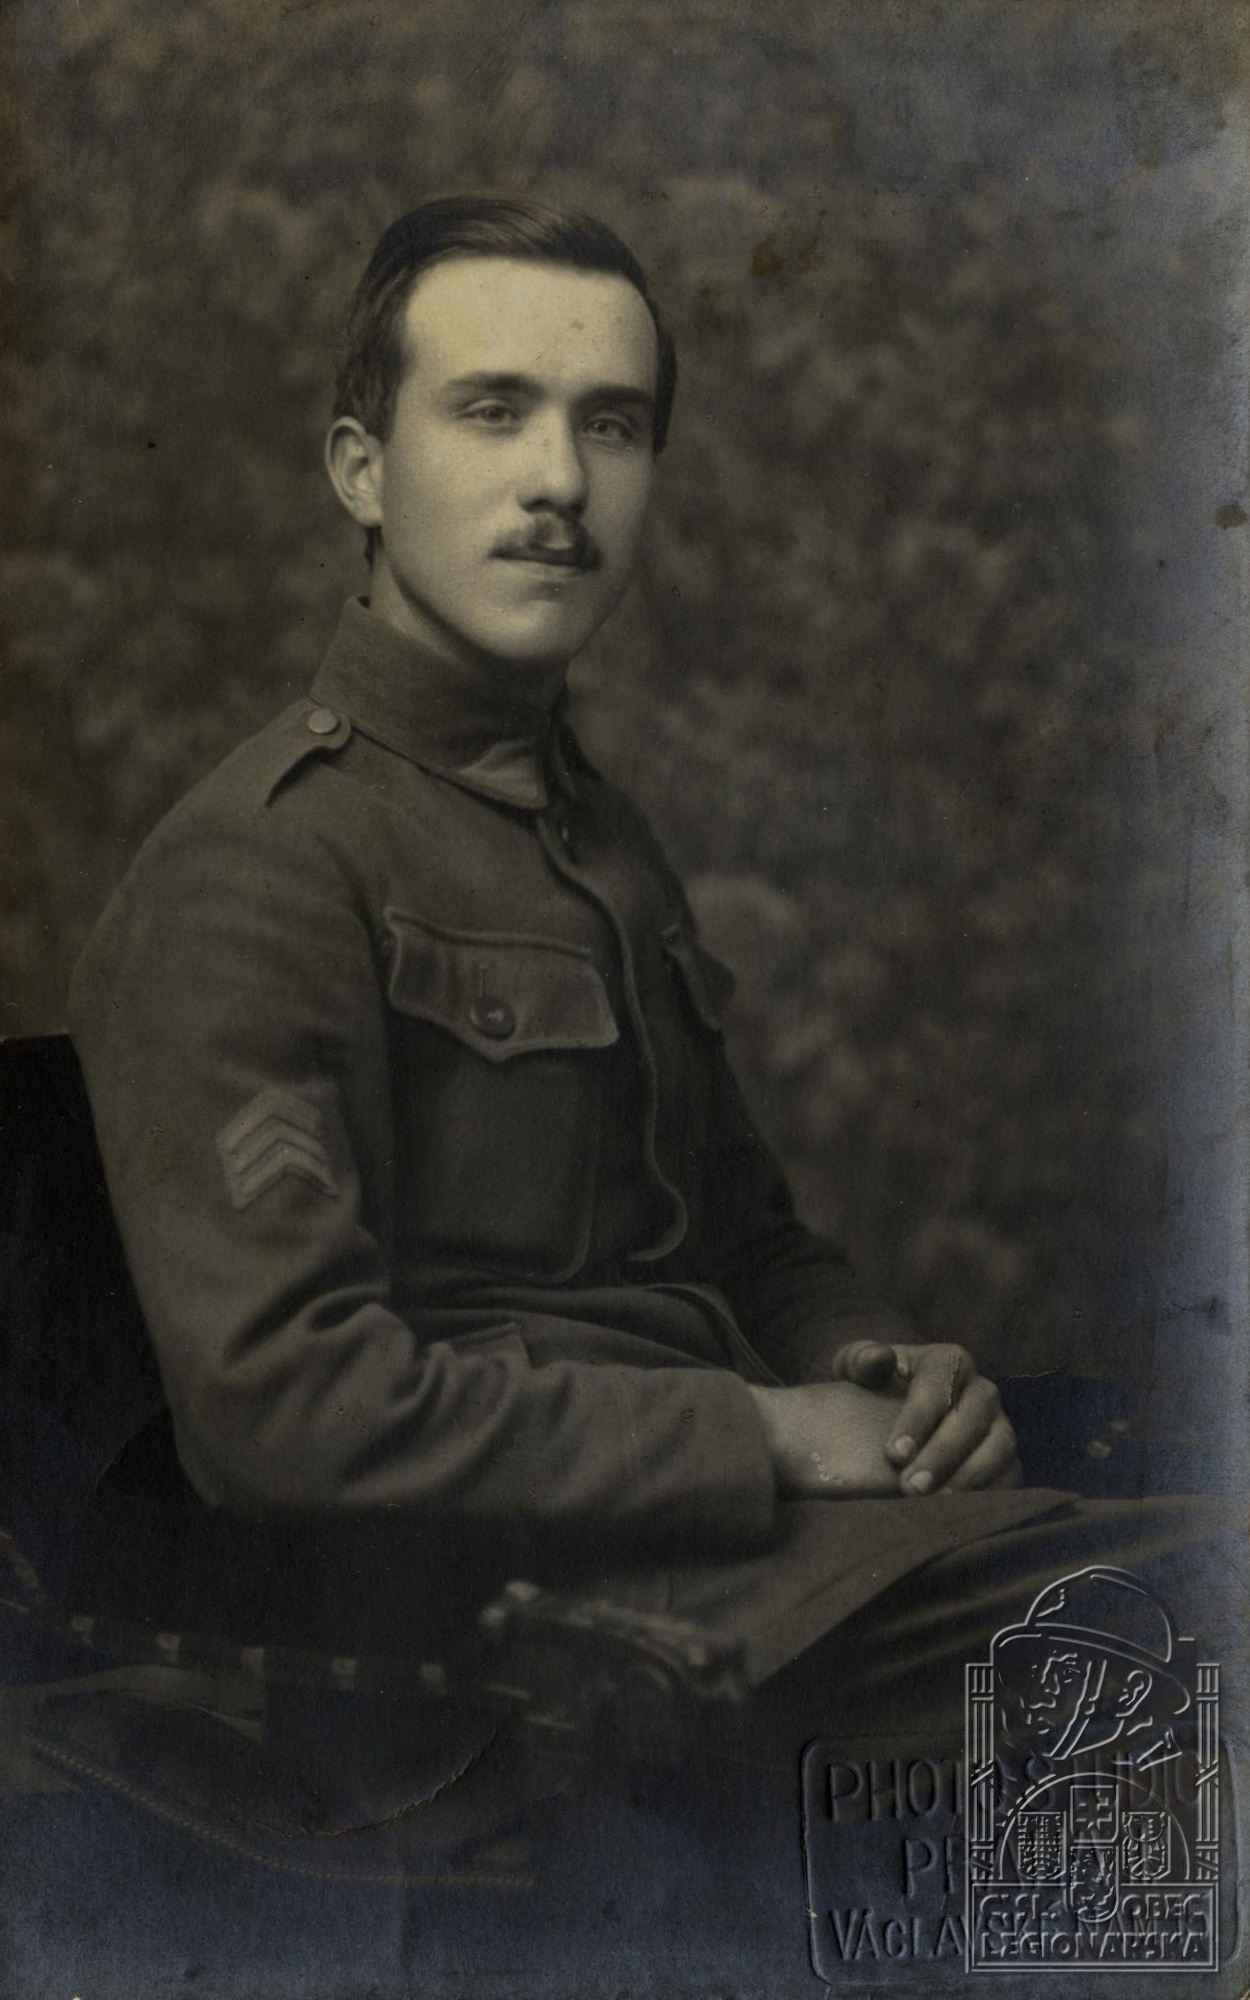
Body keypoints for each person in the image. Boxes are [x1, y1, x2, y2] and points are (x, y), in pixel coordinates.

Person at [66, 199, 1239, 1830]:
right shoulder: (258, 870)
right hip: (533, 1638)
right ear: (360, 468)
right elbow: (283, 1412)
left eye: (609, 424)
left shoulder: (595, 841)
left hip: (770, 1567)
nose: (558, 479)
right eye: (493, 410)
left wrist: (868, 1363)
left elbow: (743, 1238)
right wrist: (763, 1435)